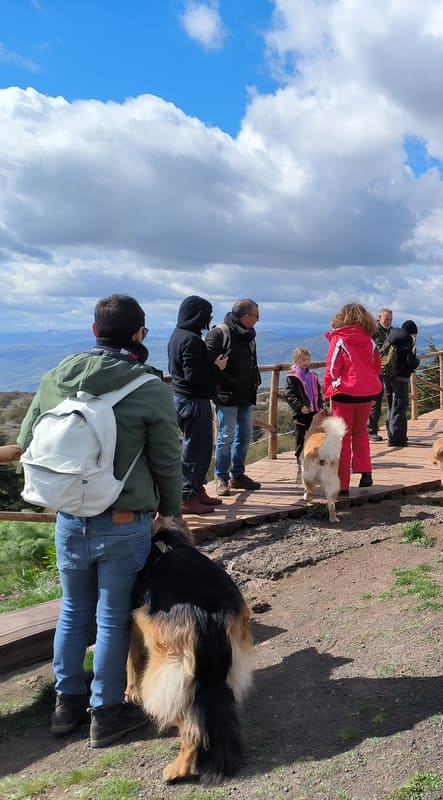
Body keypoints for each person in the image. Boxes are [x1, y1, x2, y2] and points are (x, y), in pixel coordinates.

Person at [17, 294, 182, 746]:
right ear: (140, 335)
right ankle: (104, 714)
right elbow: (168, 457)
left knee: (72, 612)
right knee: (111, 618)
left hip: (69, 517)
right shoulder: (148, 387)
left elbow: (25, 438)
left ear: (94, 331)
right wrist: (170, 511)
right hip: (124, 519)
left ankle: (65, 704)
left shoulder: (57, 377)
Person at [167, 295, 228, 515]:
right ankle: (186, 495)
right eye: (207, 315)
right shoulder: (191, 340)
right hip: (193, 400)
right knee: (196, 450)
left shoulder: (177, 336)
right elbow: (194, 375)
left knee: (198, 448)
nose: (209, 319)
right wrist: (216, 367)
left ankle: (196, 489)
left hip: (182, 399)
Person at [205, 299, 263, 496]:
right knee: (226, 437)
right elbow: (209, 366)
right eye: (256, 316)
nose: (258, 320)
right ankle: (221, 477)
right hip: (227, 396)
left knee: (245, 436)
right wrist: (232, 383)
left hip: (246, 395)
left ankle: (238, 475)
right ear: (245, 316)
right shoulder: (220, 333)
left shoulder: (248, 336)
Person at [324, 302, 383, 494]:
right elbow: (376, 366)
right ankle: (366, 473)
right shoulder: (370, 341)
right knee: (361, 433)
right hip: (367, 393)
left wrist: (329, 387)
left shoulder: (339, 339)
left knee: (343, 437)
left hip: (345, 394)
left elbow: (333, 369)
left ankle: (342, 484)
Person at [285, 346, 324, 471]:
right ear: (296, 361)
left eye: (308, 360)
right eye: (303, 360)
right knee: (300, 436)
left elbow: (318, 392)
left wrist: (321, 406)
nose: (306, 362)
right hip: (300, 413)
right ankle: (300, 459)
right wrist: (300, 407)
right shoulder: (292, 376)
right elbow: (290, 395)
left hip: (314, 411)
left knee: (315, 435)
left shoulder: (313, 375)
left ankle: (315, 457)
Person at [385, 320, 421, 446]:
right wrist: (416, 362)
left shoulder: (391, 336)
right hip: (400, 377)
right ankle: (397, 438)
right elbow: (410, 362)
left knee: (391, 406)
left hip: (387, 375)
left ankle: (391, 433)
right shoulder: (407, 340)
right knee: (400, 407)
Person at [367, 307, 394, 442]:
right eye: (386, 319)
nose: (388, 321)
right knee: (375, 402)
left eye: (390, 319)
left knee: (391, 401)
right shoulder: (373, 331)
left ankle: (392, 429)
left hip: (390, 371)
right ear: (380, 318)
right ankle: (371, 430)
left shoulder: (393, 331)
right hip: (374, 371)